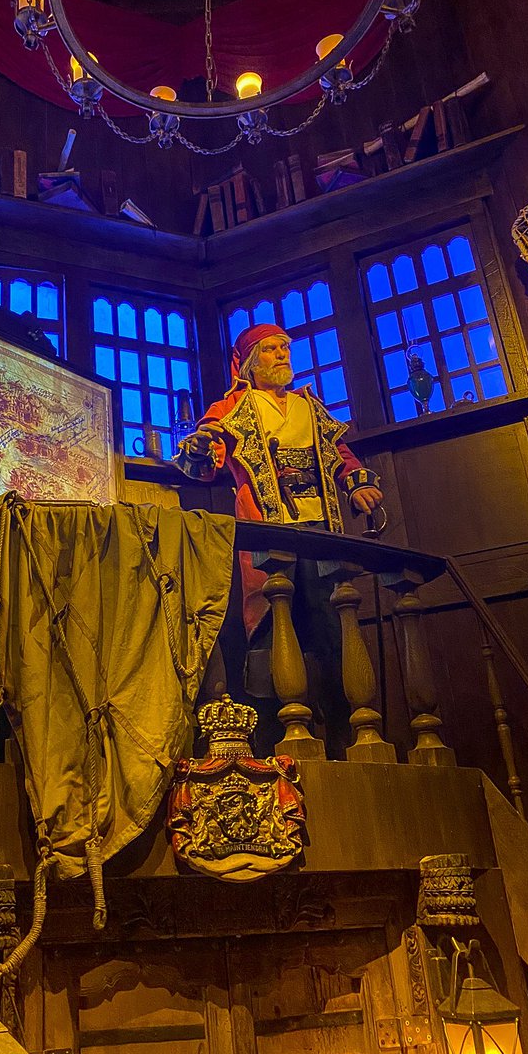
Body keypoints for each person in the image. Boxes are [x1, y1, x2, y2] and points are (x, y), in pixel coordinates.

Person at [174, 321, 383, 754]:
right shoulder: (232, 407)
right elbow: (206, 461)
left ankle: (345, 735)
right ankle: (275, 739)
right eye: (270, 349)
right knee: (271, 624)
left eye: (284, 348)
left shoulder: (310, 406)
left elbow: (340, 455)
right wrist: (198, 447)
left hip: (320, 529)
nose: (282, 355)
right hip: (268, 533)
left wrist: (356, 484)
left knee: (331, 624)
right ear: (251, 362)